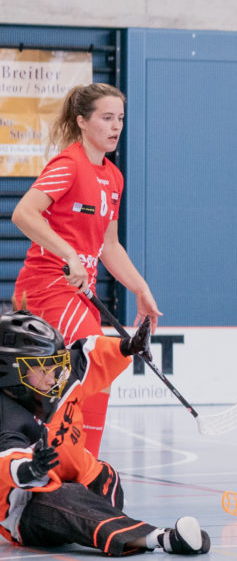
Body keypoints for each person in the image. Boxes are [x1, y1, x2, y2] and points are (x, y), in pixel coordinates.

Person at [10, 83, 161, 456]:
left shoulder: (113, 177)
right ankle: (79, 470)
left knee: (70, 380)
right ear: (82, 121)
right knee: (99, 364)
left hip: (80, 295)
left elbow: (109, 245)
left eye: (120, 119)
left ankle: (75, 468)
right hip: (48, 288)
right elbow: (23, 213)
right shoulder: (68, 166)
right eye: (106, 118)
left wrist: (140, 289)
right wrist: (68, 254)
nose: (115, 127)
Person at [0, 310, 209, 557]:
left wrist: (128, 346)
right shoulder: (7, 414)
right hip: (26, 506)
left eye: (55, 364)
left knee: (107, 476)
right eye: (43, 367)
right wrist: (31, 469)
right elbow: (6, 459)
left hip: (72, 476)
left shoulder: (59, 380)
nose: (53, 374)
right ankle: (159, 538)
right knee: (68, 497)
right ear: (13, 372)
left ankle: (98, 525)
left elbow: (89, 356)